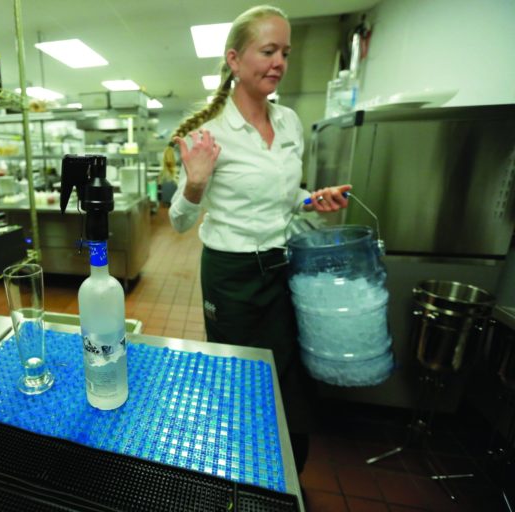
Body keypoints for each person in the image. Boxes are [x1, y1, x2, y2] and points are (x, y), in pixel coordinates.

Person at [164, 5, 351, 473]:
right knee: (238, 378)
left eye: (284, 52)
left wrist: (312, 200)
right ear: (233, 59)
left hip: (282, 267)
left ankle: (283, 474)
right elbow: (179, 223)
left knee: (287, 373)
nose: (279, 62)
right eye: (268, 51)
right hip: (232, 276)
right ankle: (237, 472)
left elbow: (286, 198)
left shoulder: (288, 122)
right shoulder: (208, 134)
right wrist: (195, 184)